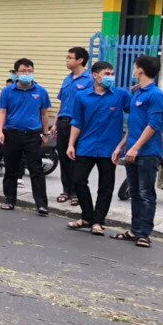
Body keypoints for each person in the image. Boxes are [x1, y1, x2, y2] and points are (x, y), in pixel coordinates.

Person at [65, 60, 129, 237]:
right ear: (95, 76)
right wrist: (71, 144)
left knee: (106, 186)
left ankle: (98, 221)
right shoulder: (82, 96)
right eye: (107, 74)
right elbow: (77, 121)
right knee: (78, 180)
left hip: (110, 148)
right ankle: (87, 216)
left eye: (112, 74)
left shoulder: (121, 95)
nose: (111, 77)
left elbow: (136, 114)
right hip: (86, 146)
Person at [113, 55, 163, 248]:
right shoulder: (137, 93)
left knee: (146, 193)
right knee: (134, 193)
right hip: (131, 151)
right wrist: (121, 146)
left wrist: (136, 148)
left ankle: (144, 234)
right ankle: (134, 230)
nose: (133, 70)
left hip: (147, 153)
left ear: (141, 70)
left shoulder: (156, 95)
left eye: (135, 67)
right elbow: (135, 125)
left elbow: (153, 125)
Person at [0, 58, 52, 215]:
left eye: (30, 71)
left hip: (32, 135)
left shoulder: (41, 91)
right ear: (16, 73)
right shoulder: (7, 91)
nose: (27, 74)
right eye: (23, 71)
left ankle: (41, 204)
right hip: (11, 134)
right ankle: (9, 200)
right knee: (11, 169)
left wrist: (45, 133)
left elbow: (44, 113)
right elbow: (2, 112)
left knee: (36, 170)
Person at [55, 47, 92, 206]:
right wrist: (55, 124)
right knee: (63, 157)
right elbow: (62, 103)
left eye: (70, 57)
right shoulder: (67, 79)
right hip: (63, 122)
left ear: (80, 60)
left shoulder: (89, 80)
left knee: (76, 158)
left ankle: (77, 192)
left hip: (78, 124)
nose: (67, 60)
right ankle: (66, 190)